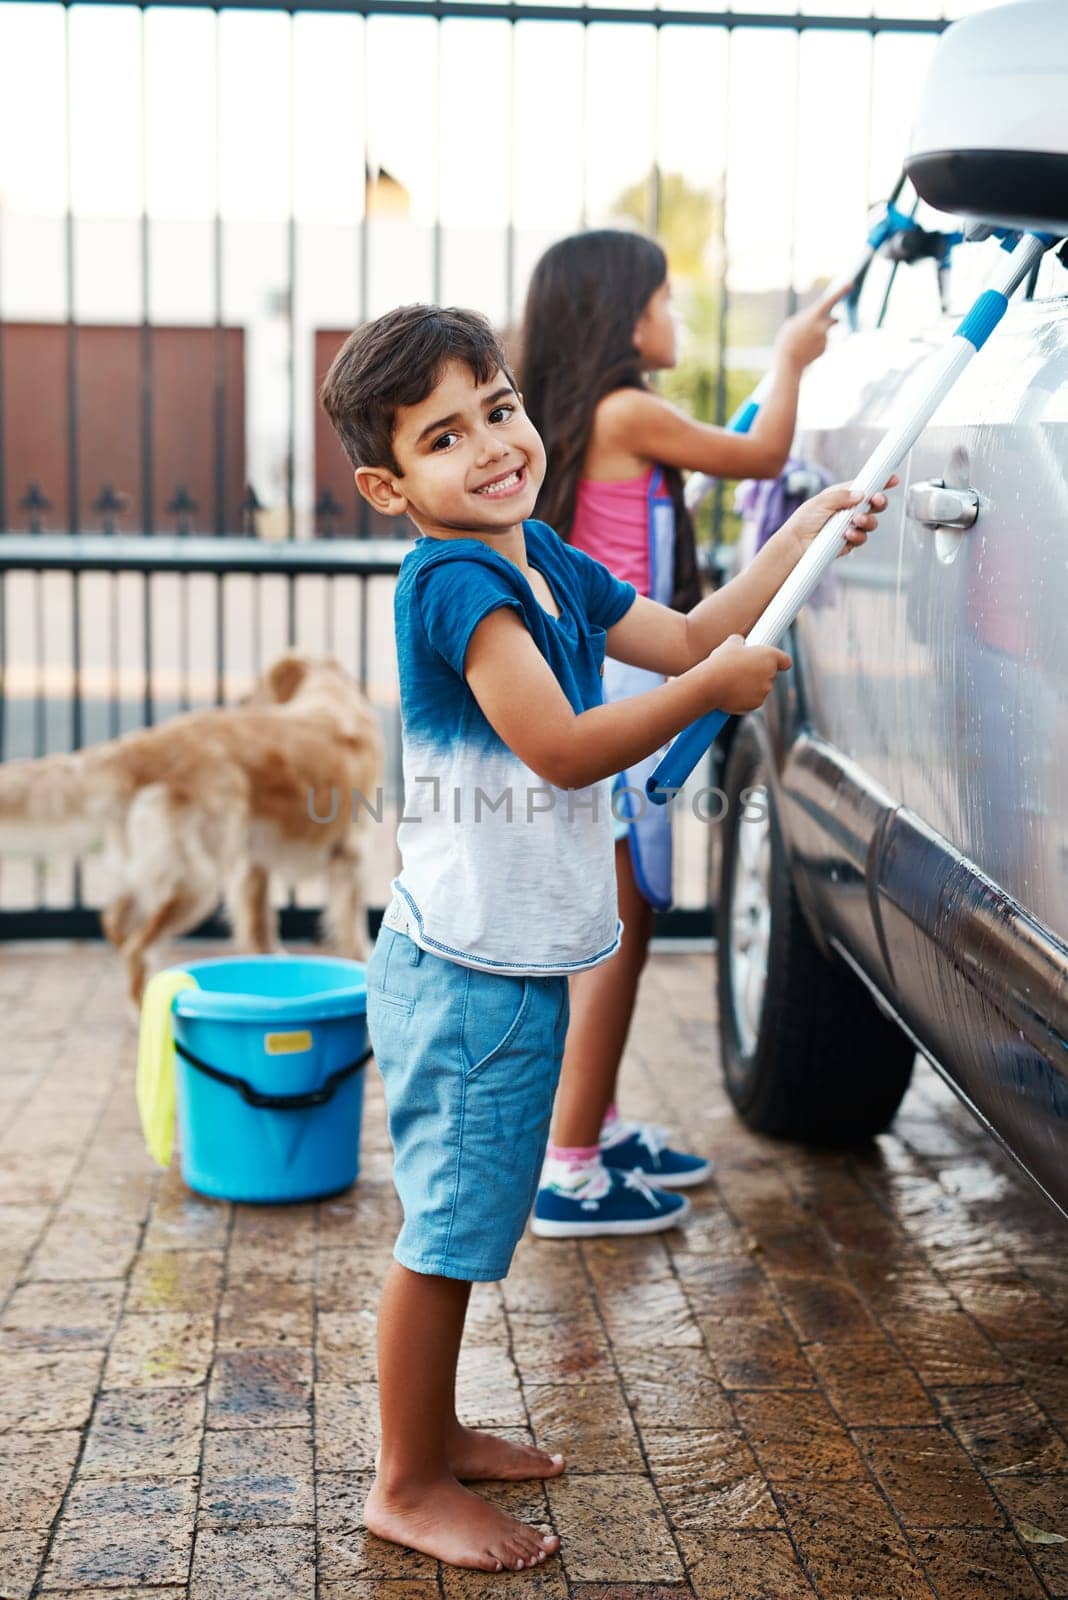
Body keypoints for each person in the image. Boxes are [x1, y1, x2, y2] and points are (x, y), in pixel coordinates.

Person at [319, 302, 886, 1573]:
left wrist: (791, 538)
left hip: (511, 966)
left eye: (501, 409)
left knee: (470, 1225)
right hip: (467, 975)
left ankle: (440, 1427)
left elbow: (686, 634)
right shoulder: (456, 583)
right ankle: (403, 1480)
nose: (493, 444)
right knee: (445, 1234)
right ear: (387, 484)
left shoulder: (544, 557)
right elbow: (564, 747)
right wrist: (705, 696)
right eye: (444, 435)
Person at [519, 229, 847, 1234]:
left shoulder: (602, 417)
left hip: (622, 672)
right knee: (618, 932)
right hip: (627, 688)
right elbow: (761, 454)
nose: (679, 318)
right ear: (623, 318)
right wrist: (789, 356)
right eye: (666, 299)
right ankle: (569, 1167)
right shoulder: (629, 411)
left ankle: (596, 1125)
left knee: (631, 918)